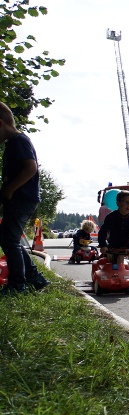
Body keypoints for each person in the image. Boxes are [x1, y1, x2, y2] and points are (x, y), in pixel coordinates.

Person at [0, 101, 50, 295]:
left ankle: (18, 285)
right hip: (18, 198)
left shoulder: (19, 141)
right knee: (7, 237)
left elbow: (31, 168)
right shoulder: (13, 143)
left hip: (23, 198)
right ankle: (34, 277)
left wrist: (10, 189)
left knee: (10, 240)